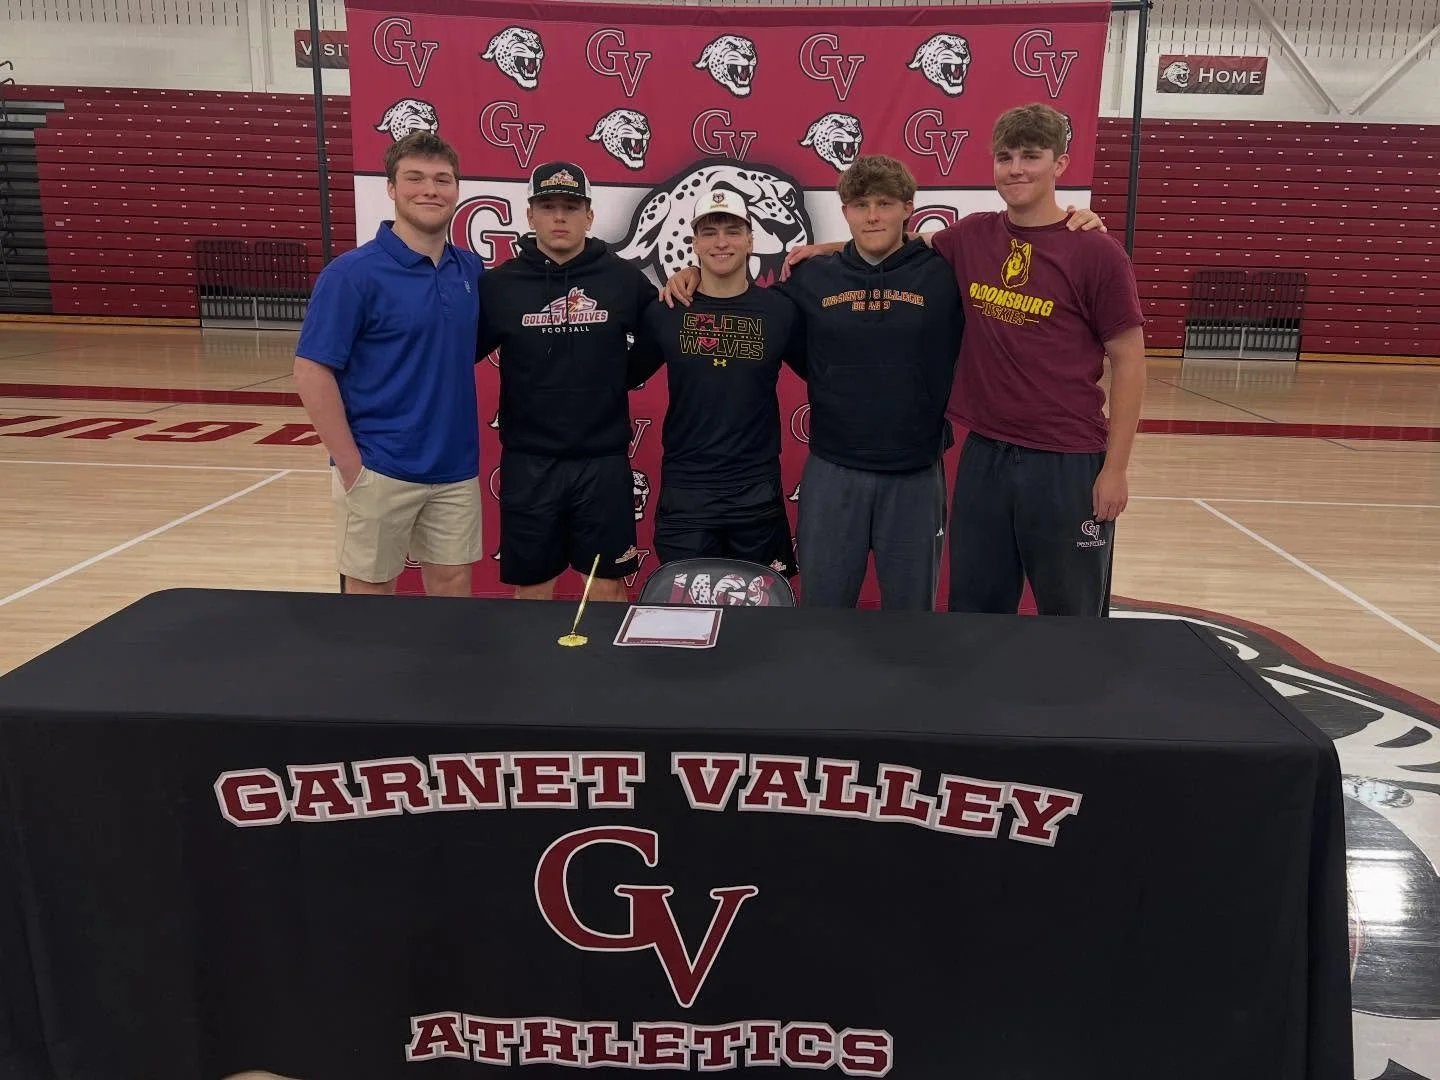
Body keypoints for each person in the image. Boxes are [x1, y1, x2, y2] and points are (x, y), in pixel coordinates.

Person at [666, 155, 964, 610]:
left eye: (885, 203)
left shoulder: (945, 271)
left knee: (912, 617)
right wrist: (693, 275)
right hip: (833, 467)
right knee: (821, 612)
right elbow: (746, 305)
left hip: (914, 472)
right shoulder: (812, 276)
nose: (873, 215)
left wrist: (1077, 220)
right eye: (861, 204)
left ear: (909, 208)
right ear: (844, 211)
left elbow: (1006, 239)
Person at [928, 103, 1147, 617]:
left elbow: (1130, 363)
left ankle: (1074, 700)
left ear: (1061, 164)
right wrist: (817, 251)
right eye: (1005, 157)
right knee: (975, 609)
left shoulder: (1096, 252)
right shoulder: (973, 236)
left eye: (1031, 156)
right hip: (987, 454)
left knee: (1071, 612)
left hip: (1067, 461)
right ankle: (981, 698)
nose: (1016, 169)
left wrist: (1115, 470)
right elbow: (897, 243)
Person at [293, 130, 483, 597]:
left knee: (454, 586)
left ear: (457, 189)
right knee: (371, 593)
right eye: (414, 178)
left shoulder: (470, 270)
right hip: (379, 466)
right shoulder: (351, 274)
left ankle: (443, 674)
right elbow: (312, 370)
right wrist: (351, 463)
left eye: (442, 179)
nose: (430, 190)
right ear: (392, 189)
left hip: (455, 468)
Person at [477, 161, 657, 602]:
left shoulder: (622, 279)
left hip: (603, 461)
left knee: (606, 587)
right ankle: (534, 672)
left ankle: (605, 671)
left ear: (589, 216)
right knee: (534, 586)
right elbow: (460, 353)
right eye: (549, 206)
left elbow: (659, 337)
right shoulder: (499, 286)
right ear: (531, 214)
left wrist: (618, 379)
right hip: (530, 461)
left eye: (571, 207)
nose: (560, 217)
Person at [625, 185, 804, 576]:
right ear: (694, 242)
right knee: (687, 619)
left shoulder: (780, 310)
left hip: (756, 488)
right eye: (709, 232)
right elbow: (619, 376)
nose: (721, 242)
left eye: (732, 230)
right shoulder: (667, 310)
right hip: (687, 490)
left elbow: (826, 374)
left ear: (751, 240)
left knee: (759, 618)